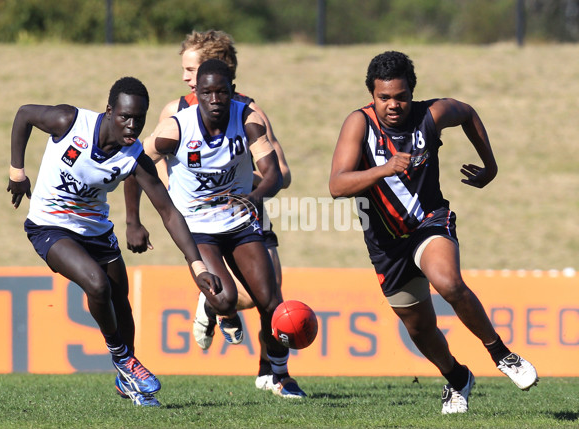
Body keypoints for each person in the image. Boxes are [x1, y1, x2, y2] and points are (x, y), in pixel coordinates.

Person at [328, 51, 538, 414]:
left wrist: (491, 166)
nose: (393, 105)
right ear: (371, 95)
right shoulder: (358, 125)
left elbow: (468, 113)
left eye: (401, 96)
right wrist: (384, 169)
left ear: (412, 92)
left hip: (429, 221)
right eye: (384, 98)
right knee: (420, 328)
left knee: (449, 282)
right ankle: (458, 379)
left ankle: (503, 355)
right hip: (386, 244)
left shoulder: (431, 115)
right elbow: (337, 184)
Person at [7, 76, 221, 407]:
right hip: (49, 226)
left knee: (120, 302)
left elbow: (169, 213)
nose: (132, 126)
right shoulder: (69, 121)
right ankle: (122, 357)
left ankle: (128, 382)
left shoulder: (134, 157)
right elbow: (23, 115)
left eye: (139, 118)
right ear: (109, 111)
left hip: (96, 233)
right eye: (125, 117)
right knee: (97, 285)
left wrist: (197, 266)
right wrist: (17, 173)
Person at [124, 59, 306, 398]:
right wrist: (133, 221)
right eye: (206, 92)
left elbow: (273, 174)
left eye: (222, 91)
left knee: (271, 301)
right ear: (197, 94)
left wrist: (254, 196)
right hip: (196, 227)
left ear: (232, 91)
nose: (215, 99)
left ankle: (280, 377)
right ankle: (215, 306)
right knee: (226, 300)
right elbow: (134, 160)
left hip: (239, 224)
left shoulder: (248, 121)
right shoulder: (177, 128)